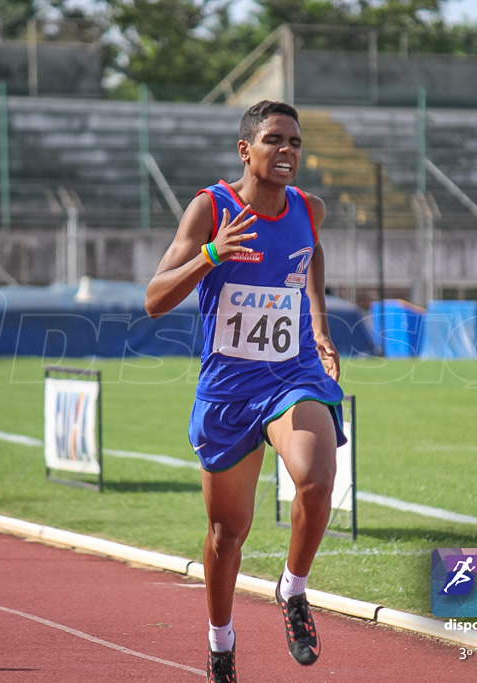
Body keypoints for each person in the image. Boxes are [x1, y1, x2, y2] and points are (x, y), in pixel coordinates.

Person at [144, 100, 345, 683]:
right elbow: (155, 299)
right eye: (275, 140)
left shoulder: (311, 209)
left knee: (315, 478)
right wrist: (211, 253)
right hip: (229, 388)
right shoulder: (212, 208)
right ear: (246, 150)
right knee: (227, 534)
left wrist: (320, 327)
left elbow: (309, 254)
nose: (287, 151)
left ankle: (294, 590)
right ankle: (221, 642)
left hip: (292, 373)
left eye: (295, 143)